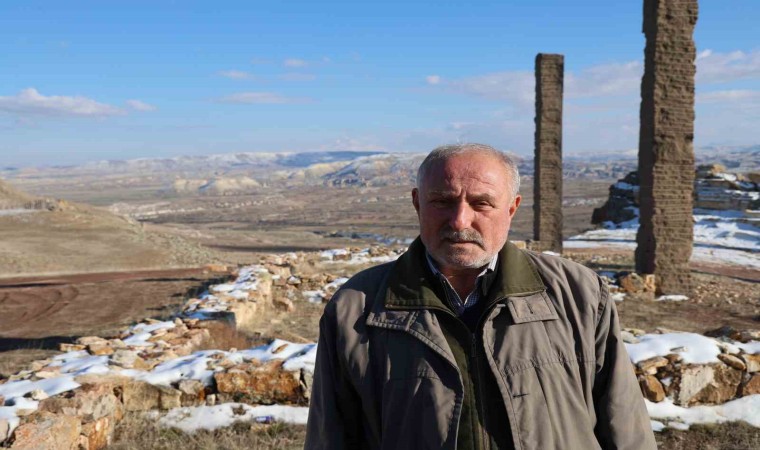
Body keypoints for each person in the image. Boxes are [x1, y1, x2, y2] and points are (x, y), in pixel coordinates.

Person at [304, 143, 656, 450]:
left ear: (511, 208)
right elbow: (330, 437)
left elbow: (625, 427)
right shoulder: (356, 308)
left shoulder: (579, 294)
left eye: (481, 203)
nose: (460, 220)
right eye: (442, 201)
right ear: (417, 203)